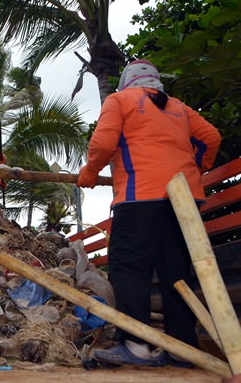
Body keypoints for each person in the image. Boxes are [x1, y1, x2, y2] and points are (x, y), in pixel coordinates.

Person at [76, 60, 222, 366]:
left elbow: (103, 143)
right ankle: (182, 347)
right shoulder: (179, 108)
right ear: (158, 82)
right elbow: (211, 138)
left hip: (140, 198)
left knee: (129, 267)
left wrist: (89, 173)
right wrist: (198, 166)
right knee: (177, 272)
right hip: (185, 199)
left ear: (126, 83)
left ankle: (136, 344)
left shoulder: (120, 100)